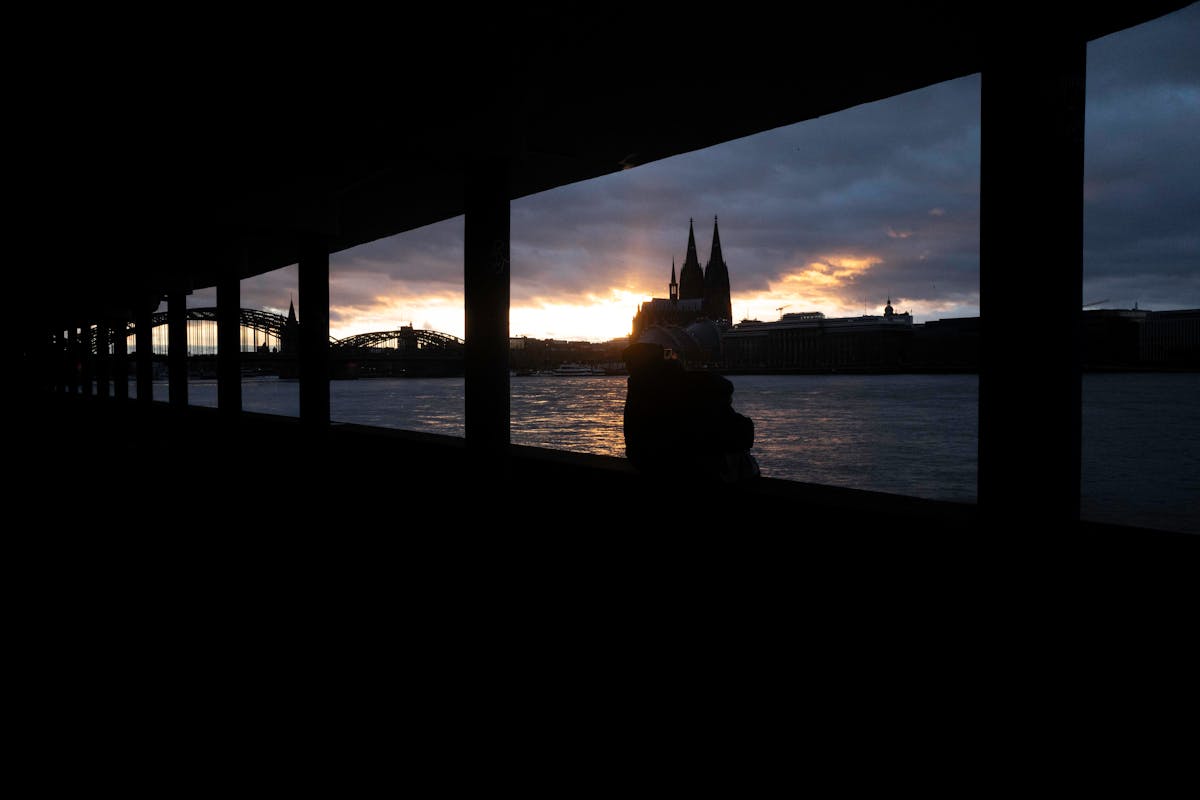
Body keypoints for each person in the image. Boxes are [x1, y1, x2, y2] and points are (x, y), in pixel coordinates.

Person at [622, 342, 759, 483]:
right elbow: (742, 434)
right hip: (691, 470)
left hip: (651, 465)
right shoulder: (686, 385)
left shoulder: (639, 389)